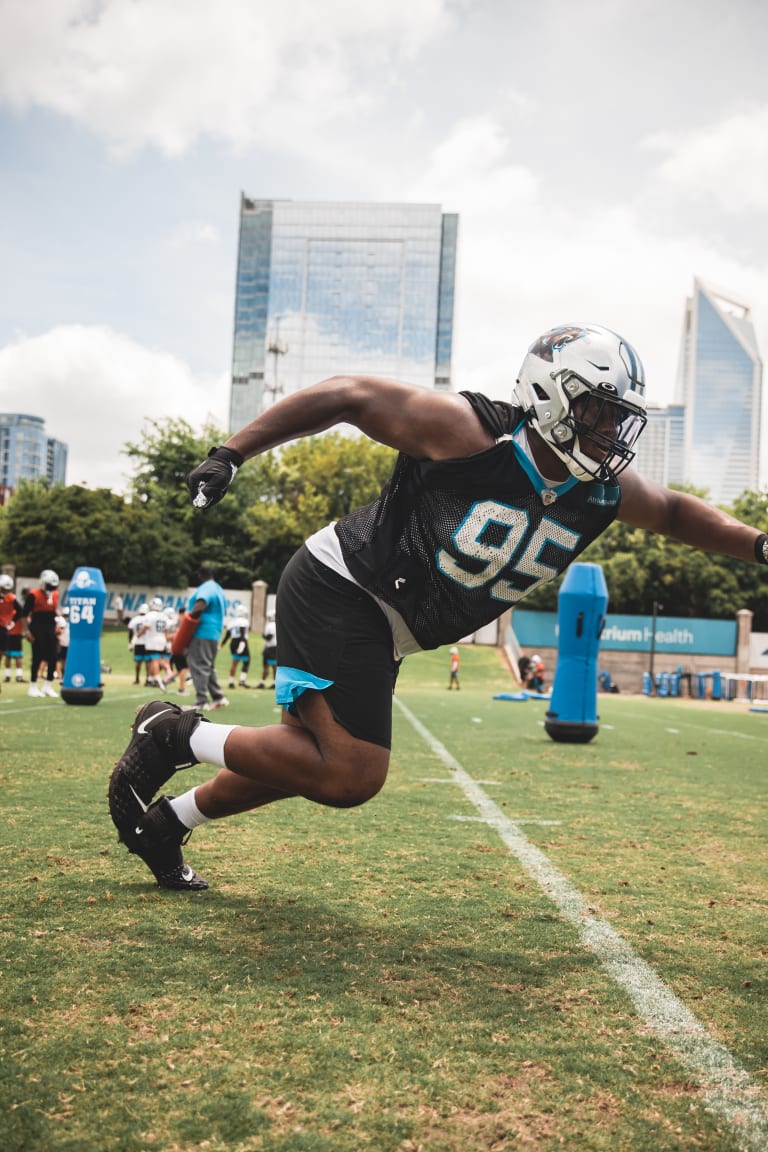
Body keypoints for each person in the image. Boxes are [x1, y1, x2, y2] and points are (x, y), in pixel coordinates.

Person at [109, 323, 768, 891]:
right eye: (598, 410)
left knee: (303, 755)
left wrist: (760, 544)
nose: (609, 430)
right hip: (346, 585)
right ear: (551, 393)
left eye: (616, 415)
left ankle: (168, 823)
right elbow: (348, 394)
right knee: (352, 773)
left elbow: (679, 512)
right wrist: (233, 453)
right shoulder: (469, 431)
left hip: (387, 621)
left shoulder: (600, 492)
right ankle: (175, 734)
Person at [185, 564, 229, 712]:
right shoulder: (218, 588)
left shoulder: (206, 588)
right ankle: (218, 697)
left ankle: (201, 700)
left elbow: (200, 605)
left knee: (199, 665)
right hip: (215, 632)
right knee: (208, 666)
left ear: (200, 575)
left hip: (202, 631)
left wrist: (188, 623)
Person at [24, 569, 60, 698]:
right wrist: (27, 631)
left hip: (50, 627)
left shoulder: (55, 594)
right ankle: (33, 685)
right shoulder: (33, 595)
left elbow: (54, 610)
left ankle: (48, 685)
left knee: (53, 656)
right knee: (37, 656)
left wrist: (57, 622)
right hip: (37, 627)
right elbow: (24, 614)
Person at [222, 605, 252, 689]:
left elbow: (227, 635)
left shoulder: (232, 621)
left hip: (233, 642)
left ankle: (231, 682)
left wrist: (221, 644)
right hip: (241, 641)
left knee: (234, 662)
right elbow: (242, 632)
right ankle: (242, 681)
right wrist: (242, 643)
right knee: (247, 661)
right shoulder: (244, 621)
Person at [257, 610, 276, 688]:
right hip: (275, 647)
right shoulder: (277, 624)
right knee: (274, 666)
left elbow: (269, 637)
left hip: (270, 648)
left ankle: (262, 682)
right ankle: (274, 683)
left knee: (267, 666)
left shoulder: (270, 625)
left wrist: (263, 636)